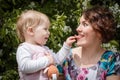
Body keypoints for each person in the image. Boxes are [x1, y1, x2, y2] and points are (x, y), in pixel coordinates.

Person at [62, 6, 120, 80]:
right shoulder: (66, 56)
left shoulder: (111, 60)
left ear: (100, 31)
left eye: (85, 24)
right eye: (79, 24)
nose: (78, 29)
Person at [16, 10, 76, 80]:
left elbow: (57, 60)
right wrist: (46, 60)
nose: (49, 33)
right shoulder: (24, 48)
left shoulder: (45, 49)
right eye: (45, 29)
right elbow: (25, 66)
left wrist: (66, 46)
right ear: (31, 31)